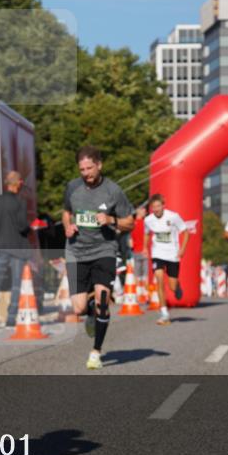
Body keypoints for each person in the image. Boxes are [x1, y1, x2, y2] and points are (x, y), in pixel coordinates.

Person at [62, 146, 134, 371]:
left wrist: (111, 219)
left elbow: (129, 221)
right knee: (79, 308)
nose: (86, 173)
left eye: (90, 168)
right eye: (82, 169)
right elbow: (66, 212)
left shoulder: (113, 191)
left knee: (104, 301)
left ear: (99, 165)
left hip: (104, 250)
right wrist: (68, 226)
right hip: (76, 251)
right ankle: (90, 309)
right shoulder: (72, 187)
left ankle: (96, 352)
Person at [0, 171, 32, 329]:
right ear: (17, 183)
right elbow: (22, 226)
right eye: (21, 182)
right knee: (16, 284)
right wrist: (31, 228)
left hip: (0, 247)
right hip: (17, 248)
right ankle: (11, 320)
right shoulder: (20, 202)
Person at [144, 194, 188, 325]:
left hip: (172, 254)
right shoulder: (148, 220)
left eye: (158, 206)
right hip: (157, 253)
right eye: (154, 207)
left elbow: (185, 232)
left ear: (163, 205)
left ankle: (177, 286)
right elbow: (146, 234)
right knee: (159, 280)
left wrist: (183, 249)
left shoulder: (173, 216)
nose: (156, 209)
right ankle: (164, 313)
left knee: (172, 286)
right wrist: (146, 248)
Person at [131, 203, 149, 299]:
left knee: (146, 274)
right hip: (136, 251)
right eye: (142, 209)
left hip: (145, 251)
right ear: (137, 210)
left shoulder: (147, 222)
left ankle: (146, 293)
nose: (144, 211)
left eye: (145, 210)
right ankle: (138, 292)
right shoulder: (132, 223)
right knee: (137, 274)